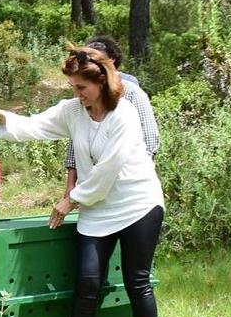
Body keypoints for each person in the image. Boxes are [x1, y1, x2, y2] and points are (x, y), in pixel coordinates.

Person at [0, 47, 165, 317]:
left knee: (136, 281)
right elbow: (35, 126)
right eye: (73, 88)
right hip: (98, 209)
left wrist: (70, 200)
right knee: (87, 281)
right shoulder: (73, 111)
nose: (76, 94)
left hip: (138, 204)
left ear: (101, 82)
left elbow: (108, 169)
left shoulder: (124, 115)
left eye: (81, 87)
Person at [63, 37, 160, 202]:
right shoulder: (84, 97)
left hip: (126, 192)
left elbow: (149, 143)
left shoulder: (132, 93)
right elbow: (76, 142)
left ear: (110, 62)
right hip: (91, 190)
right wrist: (71, 185)